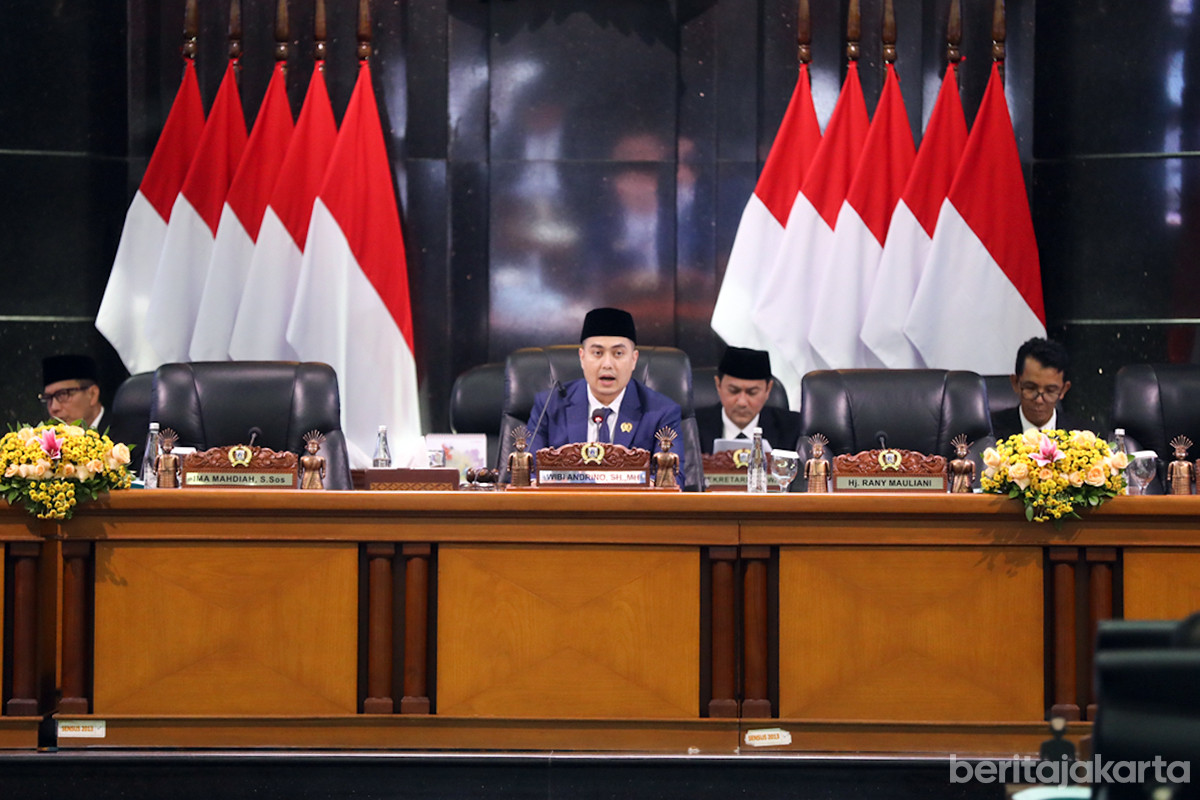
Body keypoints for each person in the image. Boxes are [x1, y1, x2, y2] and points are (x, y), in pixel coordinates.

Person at [525, 307, 683, 476]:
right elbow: (527, 473)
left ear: (633, 359)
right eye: (598, 353)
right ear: (582, 357)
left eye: (618, 353)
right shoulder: (549, 406)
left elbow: (672, 479)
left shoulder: (661, 412)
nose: (607, 364)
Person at [696, 346, 800, 454]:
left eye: (752, 392)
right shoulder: (691, 428)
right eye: (733, 391)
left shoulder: (794, 429)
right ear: (718, 385)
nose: (742, 402)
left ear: (768, 389)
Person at [990, 337, 1085, 441]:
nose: (1039, 400)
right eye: (1031, 388)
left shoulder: (1084, 436)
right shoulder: (988, 433)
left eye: (1050, 391)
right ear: (1015, 383)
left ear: (1063, 390)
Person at [41, 354, 105, 429]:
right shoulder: (50, 434)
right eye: (48, 398)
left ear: (92, 394)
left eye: (63, 394)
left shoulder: (116, 433)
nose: (54, 407)